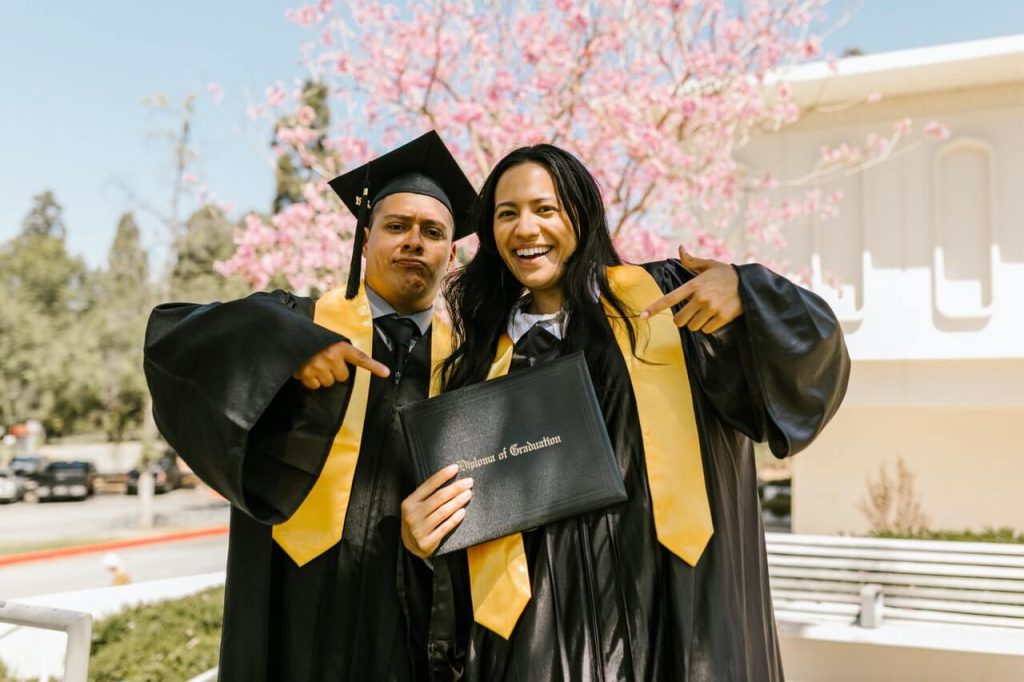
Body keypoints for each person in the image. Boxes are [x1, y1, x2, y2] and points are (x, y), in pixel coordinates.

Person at [400, 144, 850, 681]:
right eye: (506, 213)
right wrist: (421, 538)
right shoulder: (477, 365)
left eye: (546, 209)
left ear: (584, 214)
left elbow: (812, 360)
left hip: (678, 615)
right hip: (540, 644)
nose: (526, 229)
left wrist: (749, 295)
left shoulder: (666, 303)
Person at [143, 131, 476, 681]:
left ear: (451, 252)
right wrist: (286, 350)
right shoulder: (297, 320)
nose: (414, 241)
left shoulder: (470, 366)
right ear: (364, 240)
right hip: (286, 602)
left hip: (411, 619)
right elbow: (171, 342)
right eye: (397, 227)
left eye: (432, 232)